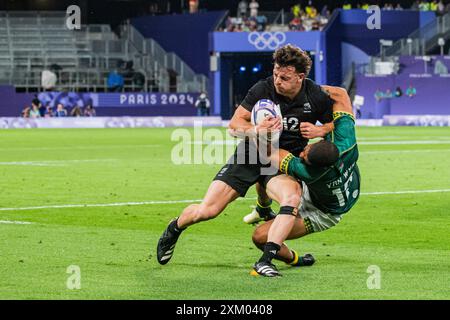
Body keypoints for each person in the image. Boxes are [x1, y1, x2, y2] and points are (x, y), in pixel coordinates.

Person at [156, 44, 336, 267]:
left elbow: (340, 121)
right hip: (249, 156)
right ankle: (175, 228)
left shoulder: (315, 96)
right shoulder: (262, 89)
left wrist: (322, 130)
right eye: (275, 74)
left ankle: (281, 257)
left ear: (300, 77)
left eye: (284, 77)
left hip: (282, 162)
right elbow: (233, 125)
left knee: (292, 200)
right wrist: (255, 130)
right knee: (208, 210)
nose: (277, 81)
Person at [250, 86, 361, 277]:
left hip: (324, 213)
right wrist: (305, 90)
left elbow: (268, 152)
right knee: (264, 177)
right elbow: (341, 93)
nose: (301, 153)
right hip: (339, 192)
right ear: (323, 141)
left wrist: (260, 130)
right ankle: (263, 209)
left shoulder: (309, 172)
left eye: (303, 155)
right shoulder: (347, 138)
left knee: (260, 237)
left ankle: (295, 258)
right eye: (305, 150)